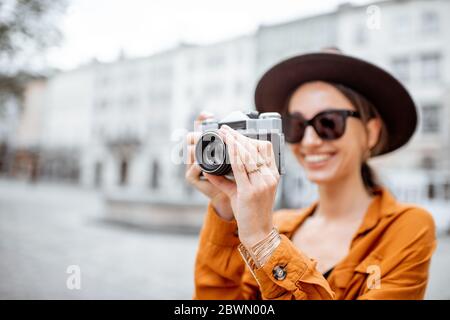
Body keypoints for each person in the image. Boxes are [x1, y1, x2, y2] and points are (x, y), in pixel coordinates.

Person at [185, 50, 437, 300]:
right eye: (295, 125)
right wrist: (224, 205)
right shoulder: (279, 225)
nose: (309, 140)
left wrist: (265, 244)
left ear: (371, 132)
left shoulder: (408, 226)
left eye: (328, 122)